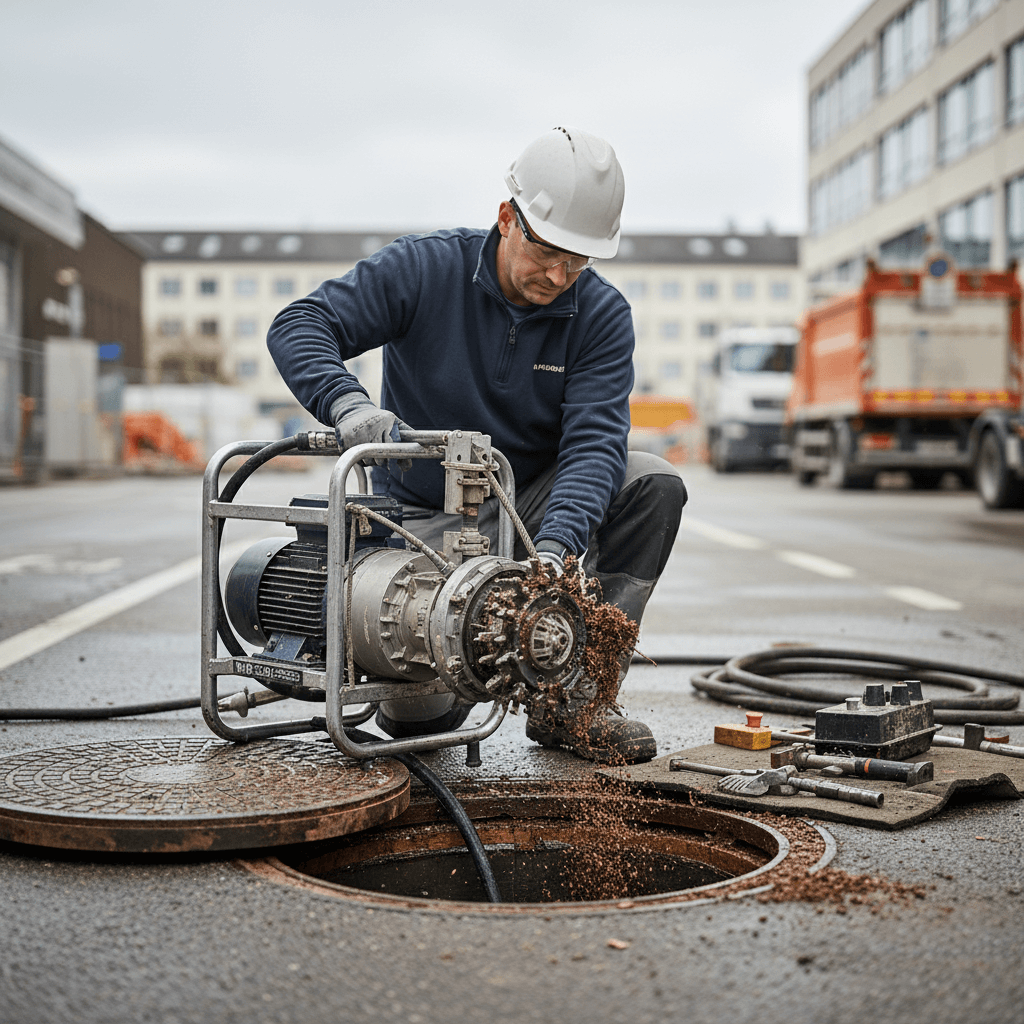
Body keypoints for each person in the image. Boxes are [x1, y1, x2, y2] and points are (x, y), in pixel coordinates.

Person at [268, 126, 686, 763]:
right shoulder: (427, 269)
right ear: (506, 218)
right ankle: (428, 688)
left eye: (577, 263)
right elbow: (300, 324)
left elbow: (594, 444)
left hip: (529, 507)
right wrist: (347, 404)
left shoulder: (600, 316)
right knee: (418, 722)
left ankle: (574, 702)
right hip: (421, 527)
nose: (557, 275)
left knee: (650, 482)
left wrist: (553, 552)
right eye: (546, 252)